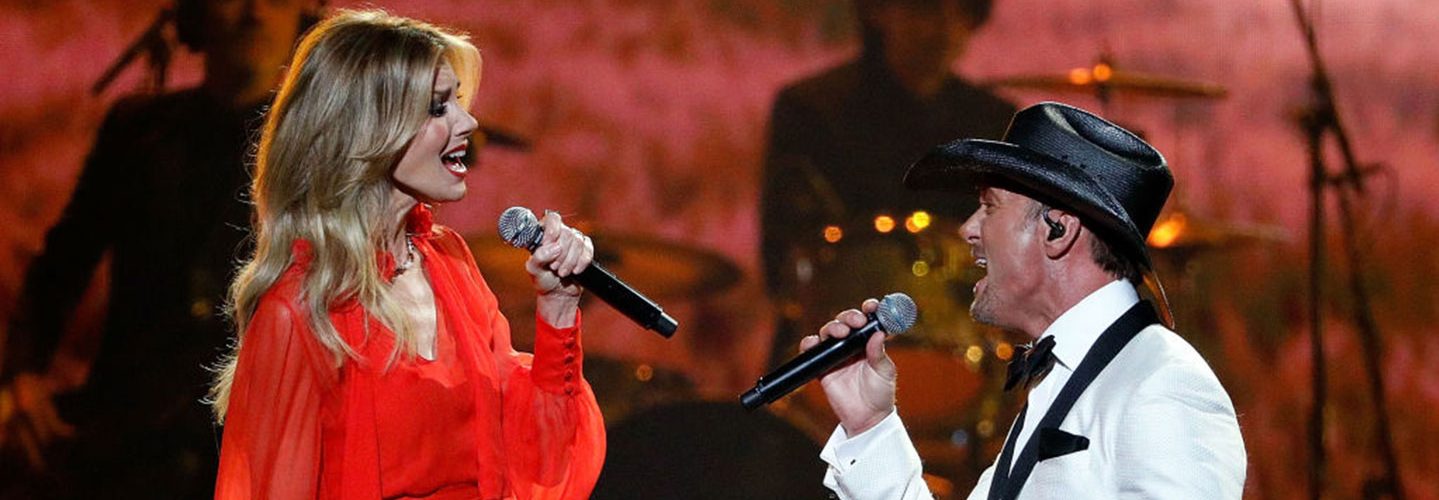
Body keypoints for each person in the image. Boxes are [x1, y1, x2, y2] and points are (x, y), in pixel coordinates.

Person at [207, 10, 605, 499]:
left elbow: (538, 461)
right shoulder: (299, 313)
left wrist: (559, 308)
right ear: (368, 130)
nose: (469, 121)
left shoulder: (448, 263)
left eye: (457, 101)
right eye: (438, 108)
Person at [804, 102, 1246, 499]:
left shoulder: (1162, 383)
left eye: (990, 206)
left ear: (1058, 230)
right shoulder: (1059, 380)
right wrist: (870, 425)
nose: (968, 229)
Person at [0, 0, 310, 496]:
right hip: (130, 441)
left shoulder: (328, 147)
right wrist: (21, 375)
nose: (256, 13)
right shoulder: (139, 131)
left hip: (262, 450)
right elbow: (61, 266)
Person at [760, 0, 1017, 367]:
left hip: (960, 347)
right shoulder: (812, 110)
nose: (943, 29)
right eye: (925, 10)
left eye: (960, 12)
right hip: (836, 338)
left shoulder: (994, 119)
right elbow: (784, 255)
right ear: (878, 12)